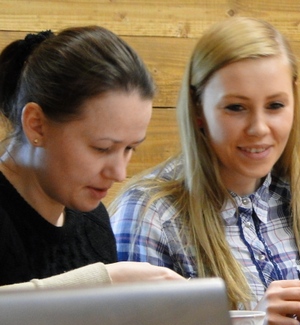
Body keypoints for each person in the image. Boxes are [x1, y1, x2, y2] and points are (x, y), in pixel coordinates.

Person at [110, 17, 300, 325]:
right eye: (236, 107)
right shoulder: (150, 214)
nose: (259, 128)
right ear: (199, 110)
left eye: (275, 105)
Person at [0, 26, 184, 290]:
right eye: (102, 148)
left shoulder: (93, 222)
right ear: (37, 125)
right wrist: (104, 279)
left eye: (130, 148)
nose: (119, 173)